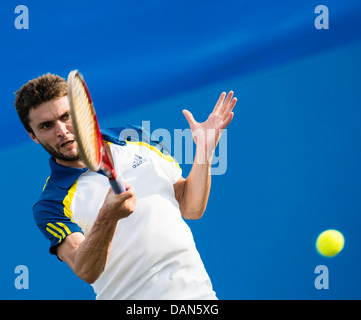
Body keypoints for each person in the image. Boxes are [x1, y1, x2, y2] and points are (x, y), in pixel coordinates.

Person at [14, 73, 236, 299]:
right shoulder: (51, 204)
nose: (61, 131)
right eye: (46, 126)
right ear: (33, 136)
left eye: (66, 116)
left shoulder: (137, 137)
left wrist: (204, 152)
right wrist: (107, 217)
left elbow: (190, 206)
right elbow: (85, 269)